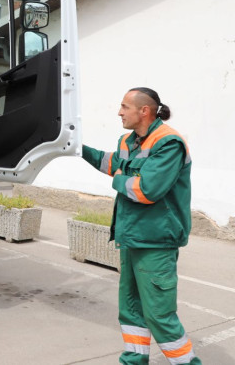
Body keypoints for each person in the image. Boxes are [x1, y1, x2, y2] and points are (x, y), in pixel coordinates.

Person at [82, 88, 201, 365]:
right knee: (131, 310)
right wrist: (77, 149)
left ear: (144, 111)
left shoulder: (168, 142)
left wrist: (118, 179)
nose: (119, 112)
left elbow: (147, 190)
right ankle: (133, 361)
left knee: (159, 315)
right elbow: (111, 162)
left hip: (156, 240)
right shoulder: (129, 141)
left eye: (125, 107)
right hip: (132, 236)